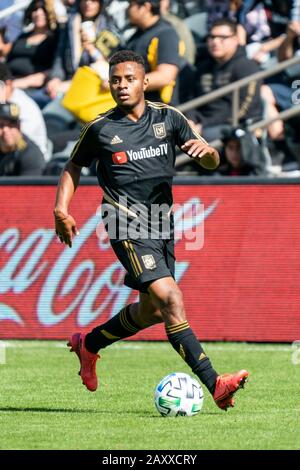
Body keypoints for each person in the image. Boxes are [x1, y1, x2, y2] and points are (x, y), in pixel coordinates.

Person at [53, 50, 249, 411]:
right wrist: (60, 209)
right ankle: (215, 383)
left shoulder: (168, 118)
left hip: (161, 221)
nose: (122, 86)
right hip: (123, 221)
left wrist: (206, 154)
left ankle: (90, 344)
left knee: (152, 312)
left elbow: (210, 159)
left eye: (129, 79)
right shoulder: (100, 128)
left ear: (145, 82)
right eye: (115, 80)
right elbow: (73, 166)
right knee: (171, 300)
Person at [187, 19, 263, 142]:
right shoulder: (202, 68)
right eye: (211, 37)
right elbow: (191, 99)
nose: (215, 42)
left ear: (235, 40)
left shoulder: (247, 66)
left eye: (222, 37)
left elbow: (245, 107)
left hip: (234, 125)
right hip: (201, 125)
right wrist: (190, 121)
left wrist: (204, 126)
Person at [125, 0, 182, 106]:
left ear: (146, 7)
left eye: (131, 5)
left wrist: (126, 83)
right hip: (135, 109)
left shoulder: (166, 33)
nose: (127, 9)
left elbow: (165, 76)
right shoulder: (136, 35)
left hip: (158, 112)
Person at [0, 102, 45, 176]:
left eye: (11, 125)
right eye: (1, 125)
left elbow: (30, 186)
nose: (5, 130)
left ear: (19, 126)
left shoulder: (31, 155)